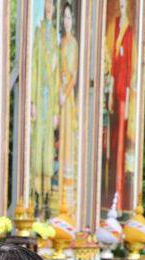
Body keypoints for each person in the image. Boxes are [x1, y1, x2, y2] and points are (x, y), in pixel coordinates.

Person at [31, 0, 60, 219]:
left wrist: (57, 109)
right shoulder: (38, 33)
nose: (49, 7)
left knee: (48, 151)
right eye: (46, 3)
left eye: (51, 4)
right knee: (36, 149)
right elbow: (33, 67)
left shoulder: (56, 37)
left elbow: (57, 74)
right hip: (39, 99)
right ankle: (34, 199)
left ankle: (46, 202)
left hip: (50, 103)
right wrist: (32, 101)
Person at [107, 0, 133, 210]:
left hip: (123, 91)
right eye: (120, 7)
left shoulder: (129, 31)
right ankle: (110, 190)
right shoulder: (114, 27)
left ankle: (119, 192)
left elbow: (129, 66)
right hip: (113, 89)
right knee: (112, 139)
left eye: (125, 7)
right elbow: (111, 62)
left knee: (120, 141)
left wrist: (127, 95)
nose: (122, 10)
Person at [58, 2, 79, 217]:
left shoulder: (73, 43)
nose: (67, 21)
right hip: (57, 94)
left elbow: (74, 74)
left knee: (68, 140)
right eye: (64, 17)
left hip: (67, 96)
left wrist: (64, 93)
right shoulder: (60, 42)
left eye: (69, 17)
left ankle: (68, 193)